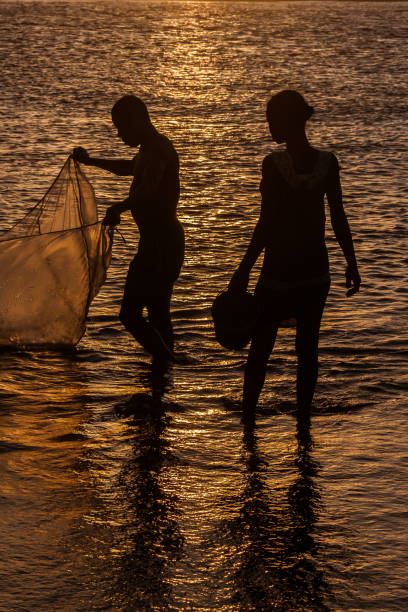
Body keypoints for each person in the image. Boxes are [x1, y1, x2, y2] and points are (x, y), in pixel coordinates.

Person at [229, 90, 361, 422]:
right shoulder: (327, 163)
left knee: (260, 350)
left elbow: (267, 221)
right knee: (307, 351)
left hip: (279, 271)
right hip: (316, 271)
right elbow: (339, 217)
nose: (269, 125)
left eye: (272, 119)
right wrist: (351, 262)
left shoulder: (273, 165)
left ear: (288, 121)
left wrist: (245, 268)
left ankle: (248, 421)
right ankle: (303, 423)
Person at [73, 95, 184, 362]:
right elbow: (129, 169)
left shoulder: (158, 150)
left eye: (122, 127)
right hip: (158, 244)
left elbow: (148, 191)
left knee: (129, 314)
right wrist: (91, 162)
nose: (120, 134)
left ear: (139, 120)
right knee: (158, 314)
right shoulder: (149, 149)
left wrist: (118, 208)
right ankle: (164, 378)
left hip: (161, 246)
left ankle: (168, 363)